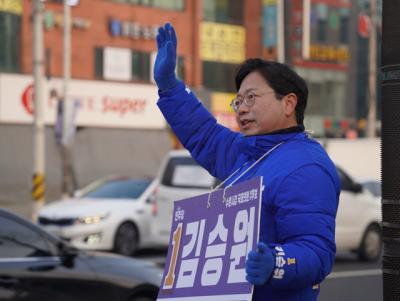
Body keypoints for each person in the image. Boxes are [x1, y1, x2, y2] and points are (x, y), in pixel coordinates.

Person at [154, 23, 340, 301]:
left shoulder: (306, 167)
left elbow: (317, 252)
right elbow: (205, 135)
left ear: (289, 104)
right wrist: (170, 87)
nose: (241, 107)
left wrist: (277, 261)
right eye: (238, 101)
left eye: (251, 97)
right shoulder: (249, 152)